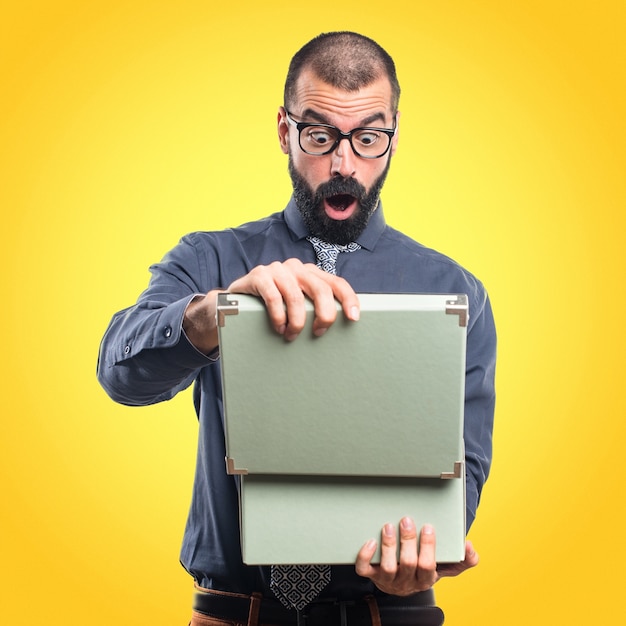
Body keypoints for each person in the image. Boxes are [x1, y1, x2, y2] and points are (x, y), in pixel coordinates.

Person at [97, 31, 496, 626]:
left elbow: (463, 464)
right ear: (285, 131)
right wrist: (216, 313)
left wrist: (426, 548)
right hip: (237, 613)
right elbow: (120, 372)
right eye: (319, 135)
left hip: (394, 613)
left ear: (394, 135)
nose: (343, 164)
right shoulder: (211, 259)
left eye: (368, 138)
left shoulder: (455, 290)